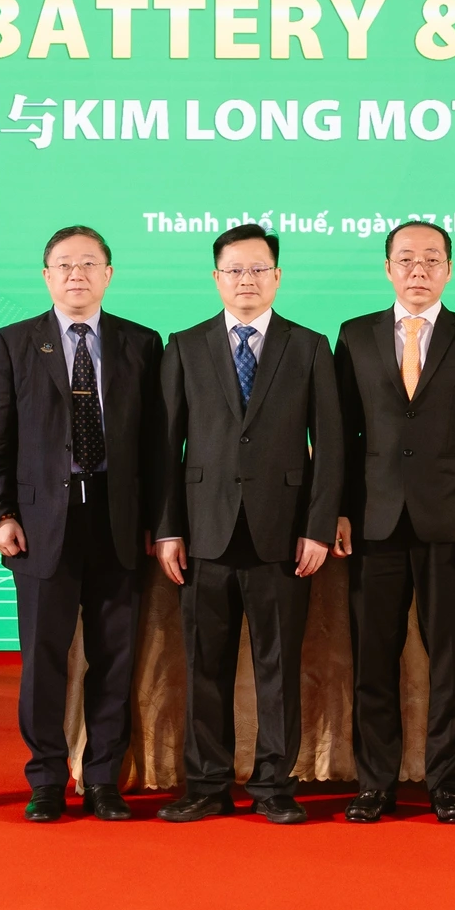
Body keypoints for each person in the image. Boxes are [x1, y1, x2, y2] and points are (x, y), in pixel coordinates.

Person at [152, 224, 344, 825]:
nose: (246, 280)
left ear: (277, 277)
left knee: (278, 671)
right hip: (203, 534)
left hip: (283, 536)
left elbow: (331, 446)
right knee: (203, 669)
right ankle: (207, 785)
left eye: (259, 269)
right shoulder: (184, 346)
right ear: (216, 278)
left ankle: (273, 786)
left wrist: (317, 526)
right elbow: (166, 448)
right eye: (234, 270)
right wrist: (168, 528)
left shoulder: (309, 346)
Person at [0, 225, 164, 823]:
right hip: (39, 526)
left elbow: (158, 447)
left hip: (118, 522)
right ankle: (46, 779)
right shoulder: (11, 344)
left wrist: (159, 522)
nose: (76, 274)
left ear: (109, 274)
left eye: (89, 263)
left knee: (114, 658)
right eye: (64, 264)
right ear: (46, 276)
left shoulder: (142, 343)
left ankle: (104, 778)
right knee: (44, 660)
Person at [333, 220, 455, 824]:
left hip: (453, 524)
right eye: (406, 259)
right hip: (373, 523)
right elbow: (341, 437)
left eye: (432, 259)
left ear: (449, 270)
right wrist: (339, 510)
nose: (418, 270)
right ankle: (375, 784)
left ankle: (446, 783)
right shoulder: (354, 335)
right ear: (387, 268)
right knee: (373, 662)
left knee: (451, 662)